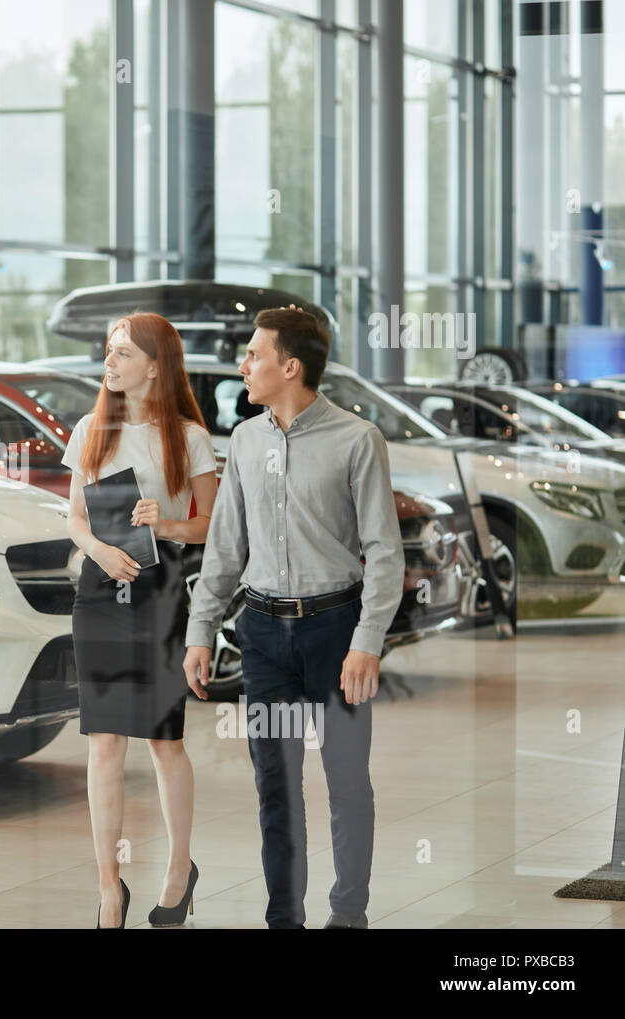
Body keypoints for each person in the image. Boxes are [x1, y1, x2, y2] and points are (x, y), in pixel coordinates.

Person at [183, 306, 404, 930]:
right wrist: (202, 630)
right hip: (262, 637)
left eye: (253, 354)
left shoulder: (357, 441)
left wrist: (367, 643)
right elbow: (225, 547)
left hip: (335, 634)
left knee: (346, 785)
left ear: (291, 366)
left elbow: (385, 551)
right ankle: (284, 918)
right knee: (275, 787)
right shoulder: (246, 441)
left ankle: (348, 915)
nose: (243, 364)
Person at [63, 312, 219, 929]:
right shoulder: (90, 429)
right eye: (109, 351)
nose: (111, 362)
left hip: (160, 593)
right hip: (99, 592)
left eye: (123, 353)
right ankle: (109, 887)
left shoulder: (189, 437)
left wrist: (165, 524)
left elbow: (212, 525)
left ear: (156, 365)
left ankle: (179, 870)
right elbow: (74, 516)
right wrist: (97, 550)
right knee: (103, 743)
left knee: (164, 741)